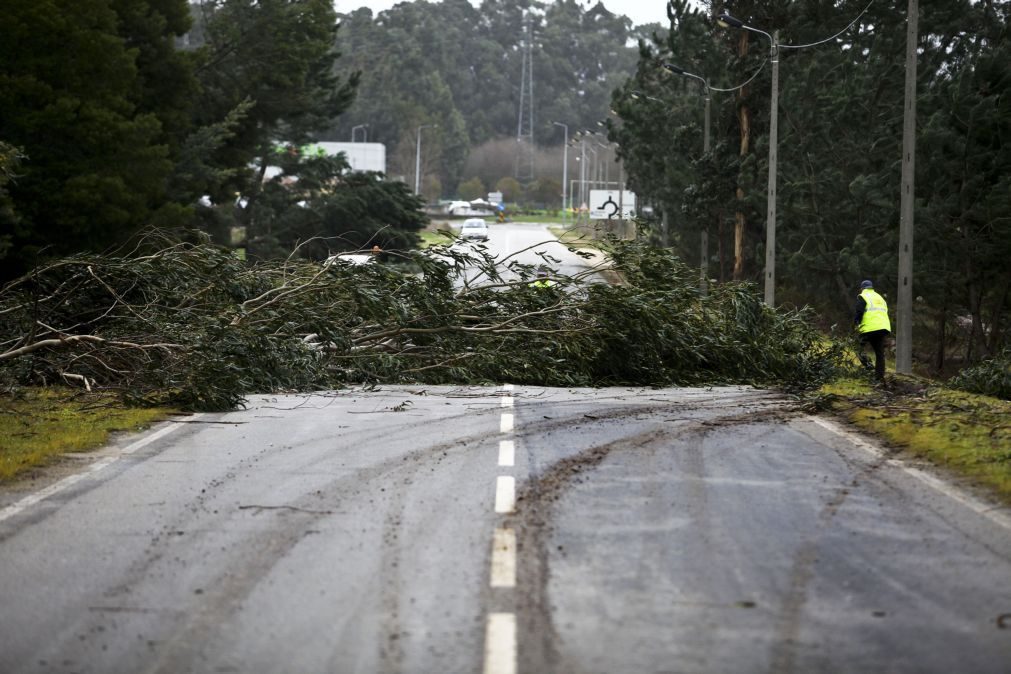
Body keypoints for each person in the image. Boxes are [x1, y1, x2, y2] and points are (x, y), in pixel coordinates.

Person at [853, 279, 891, 381]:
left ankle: (869, 367)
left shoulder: (863, 296)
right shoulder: (880, 298)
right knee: (879, 354)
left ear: (862, 288)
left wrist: (856, 324)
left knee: (857, 347)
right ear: (871, 287)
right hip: (882, 328)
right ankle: (879, 377)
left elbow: (859, 311)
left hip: (869, 327)